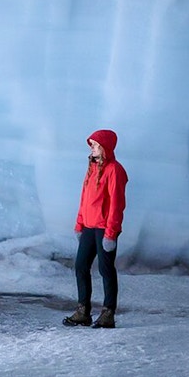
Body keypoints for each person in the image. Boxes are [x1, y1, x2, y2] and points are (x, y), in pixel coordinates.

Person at [63, 129, 128, 329]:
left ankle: (108, 313)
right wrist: (79, 223)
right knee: (81, 266)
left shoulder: (115, 170)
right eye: (91, 144)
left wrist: (111, 233)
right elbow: (85, 199)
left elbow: (117, 204)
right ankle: (83, 311)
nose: (92, 148)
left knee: (105, 269)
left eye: (96, 144)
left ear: (105, 147)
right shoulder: (92, 168)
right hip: (89, 226)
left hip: (104, 228)